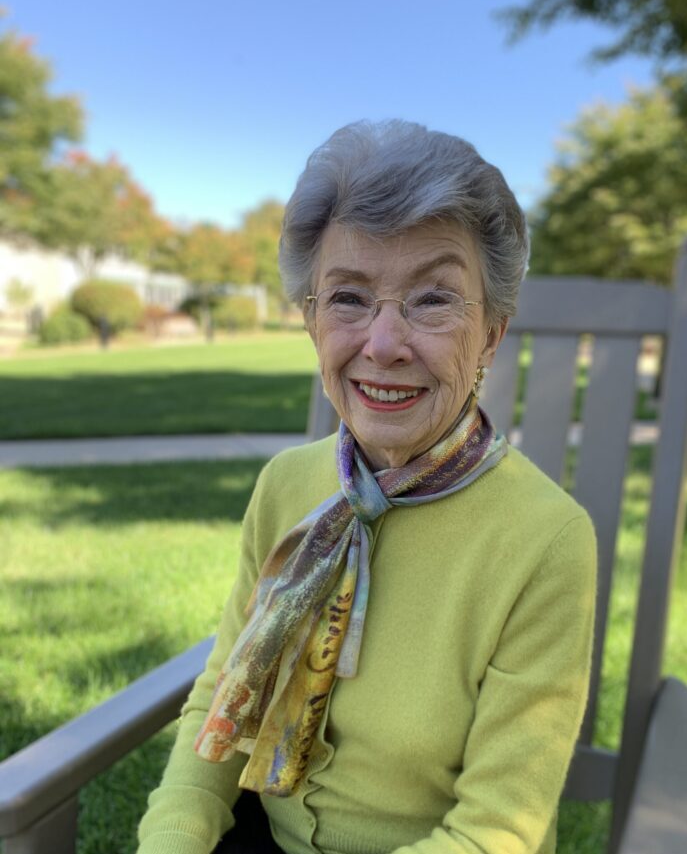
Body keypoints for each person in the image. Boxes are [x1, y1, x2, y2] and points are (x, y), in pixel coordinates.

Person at [137, 120, 596, 854]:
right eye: (348, 298)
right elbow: (224, 692)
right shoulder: (285, 485)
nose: (382, 345)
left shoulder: (547, 539)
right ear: (311, 319)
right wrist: (173, 837)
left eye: (433, 299)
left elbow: (495, 829)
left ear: (492, 332)